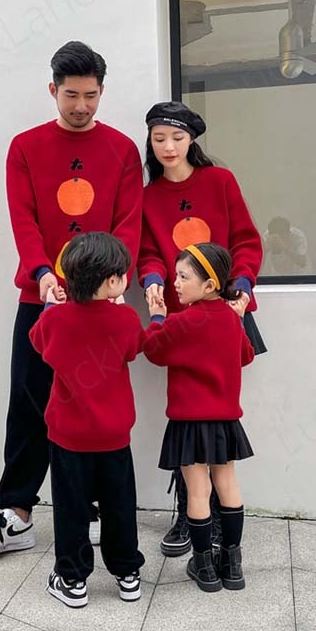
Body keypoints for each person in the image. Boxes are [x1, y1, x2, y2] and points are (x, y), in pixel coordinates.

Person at [0, 42, 143, 556]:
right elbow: (23, 220)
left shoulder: (123, 150)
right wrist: (43, 273)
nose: (81, 105)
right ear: (52, 90)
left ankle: (88, 507)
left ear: (102, 91)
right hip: (41, 298)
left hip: (102, 304)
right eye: (71, 95)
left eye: (90, 95)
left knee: (93, 404)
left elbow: (128, 223)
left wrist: (111, 283)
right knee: (28, 401)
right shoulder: (25, 147)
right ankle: (16, 513)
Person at [137, 100, 263, 559]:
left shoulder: (220, 181)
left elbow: (246, 240)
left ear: (192, 140)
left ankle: (211, 521)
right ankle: (191, 515)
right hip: (178, 316)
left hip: (226, 308)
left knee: (213, 413)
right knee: (186, 416)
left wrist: (241, 287)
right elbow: (148, 252)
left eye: (177, 137)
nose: (168, 147)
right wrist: (153, 281)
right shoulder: (148, 196)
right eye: (159, 138)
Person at [30, 232, 146, 608]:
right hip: (114, 436)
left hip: (68, 436)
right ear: (111, 281)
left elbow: (38, 341)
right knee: (119, 506)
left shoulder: (56, 320)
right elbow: (135, 347)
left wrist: (50, 306)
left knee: (71, 509)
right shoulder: (125, 319)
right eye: (121, 274)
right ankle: (127, 574)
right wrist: (119, 309)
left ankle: (72, 579)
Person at [144, 242, 255, 592]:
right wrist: (237, 320)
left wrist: (157, 317)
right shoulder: (230, 319)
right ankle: (233, 565)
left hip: (189, 421)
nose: (175, 283)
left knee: (197, 490)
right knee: (227, 484)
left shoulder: (181, 322)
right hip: (225, 421)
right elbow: (246, 356)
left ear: (209, 284)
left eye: (183, 277)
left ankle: (205, 567)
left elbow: (153, 350)